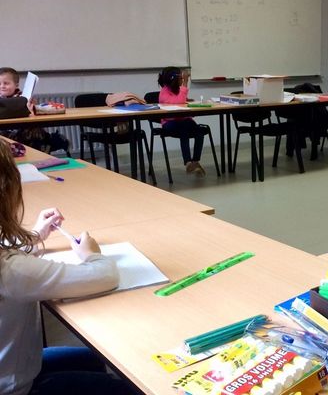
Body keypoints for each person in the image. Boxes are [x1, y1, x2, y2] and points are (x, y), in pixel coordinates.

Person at [0, 139, 134, 395]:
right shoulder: (10, 271)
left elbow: (8, 249)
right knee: (126, 388)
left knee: (91, 359)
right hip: (15, 387)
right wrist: (92, 255)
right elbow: (105, 275)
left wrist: (36, 236)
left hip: (13, 368)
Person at [158, 66, 207, 176]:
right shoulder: (164, 92)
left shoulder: (177, 89)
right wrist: (185, 83)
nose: (182, 80)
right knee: (184, 129)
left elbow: (181, 101)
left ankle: (195, 161)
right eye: (181, 78)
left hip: (183, 120)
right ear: (174, 79)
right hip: (169, 123)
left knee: (199, 132)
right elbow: (178, 102)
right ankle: (188, 162)